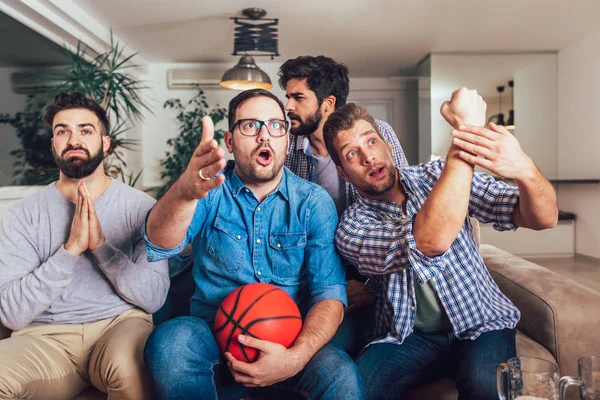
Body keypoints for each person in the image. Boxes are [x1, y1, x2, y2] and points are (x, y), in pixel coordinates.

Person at [322, 89, 558, 400]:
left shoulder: (438, 176)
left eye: (371, 141)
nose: (368, 157)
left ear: (387, 145)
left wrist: (525, 170)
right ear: (343, 173)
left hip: (482, 323)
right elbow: (429, 241)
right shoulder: (352, 227)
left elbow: (543, 217)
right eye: (352, 154)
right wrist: (465, 132)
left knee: (485, 388)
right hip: (407, 337)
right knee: (354, 390)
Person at [143, 88, 364, 400]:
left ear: (287, 138)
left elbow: (329, 294)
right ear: (230, 141)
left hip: (289, 337)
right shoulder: (209, 191)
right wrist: (184, 192)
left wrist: (294, 358)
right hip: (212, 331)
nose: (265, 136)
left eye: (276, 125)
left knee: (339, 375)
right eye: (250, 126)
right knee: (172, 341)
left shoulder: (313, 202)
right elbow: (158, 245)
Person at [0, 92, 169, 399]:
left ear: (105, 143)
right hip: (45, 339)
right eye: (62, 131)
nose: (73, 139)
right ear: (53, 144)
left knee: (129, 371)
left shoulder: (142, 207)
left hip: (118, 327)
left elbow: (154, 297)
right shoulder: (22, 215)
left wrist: (102, 248)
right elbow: (11, 313)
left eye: (85, 130)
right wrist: (69, 251)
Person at [278, 55, 409, 355]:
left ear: (327, 103)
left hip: (373, 283)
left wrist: (370, 287)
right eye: (287, 97)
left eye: (298, 98)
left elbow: (399, 216)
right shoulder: (287, 151)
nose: (288, 107)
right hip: (314, 284)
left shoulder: (376, 135)